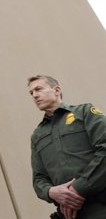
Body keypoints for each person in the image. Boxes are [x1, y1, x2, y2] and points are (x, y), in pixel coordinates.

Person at [28, 75, 106, 219]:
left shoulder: (85, 112)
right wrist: (52, 192)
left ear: (56, 90)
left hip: (100, 206)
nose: (34, 95)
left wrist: (77, 189)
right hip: (69, 214)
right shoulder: (37, 136)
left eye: (38, 89)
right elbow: (39, 178)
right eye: (31, 93)